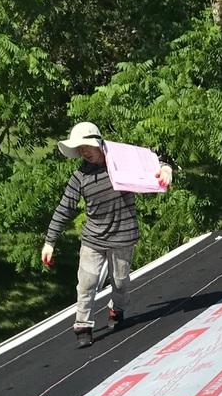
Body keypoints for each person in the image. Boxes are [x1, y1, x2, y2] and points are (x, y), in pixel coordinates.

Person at [41, 122, 173, 348]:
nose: (84, 152)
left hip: (123, 235)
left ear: (98, 144)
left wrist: (166, 169)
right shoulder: (80, 176)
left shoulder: (122, 162)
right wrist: (50, 241)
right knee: (87, 282)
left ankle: (117, 309)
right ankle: (83, 325)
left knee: (120, 282)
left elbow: (153, 158)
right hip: (93, 238)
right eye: (79, 150)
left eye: (86, 147)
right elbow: (64, 208)